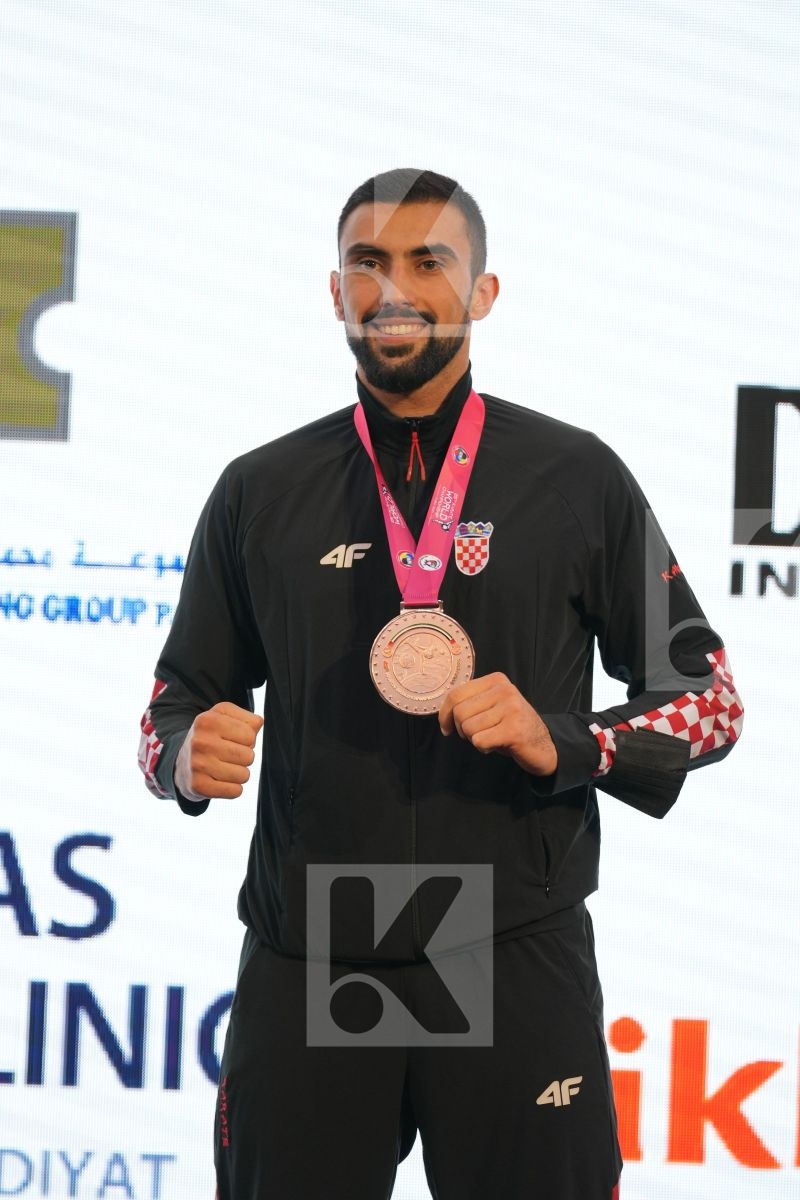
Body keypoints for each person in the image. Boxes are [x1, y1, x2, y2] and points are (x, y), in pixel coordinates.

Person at [138, 168, 743, 1200]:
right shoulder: (257, 489)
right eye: (366, 262)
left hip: (505, 939)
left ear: (484, 291)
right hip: (314, 943)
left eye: (428, 261)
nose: (393, 288)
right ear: (334, 292)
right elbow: (167, 713)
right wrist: (186, 759)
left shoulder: (574, 475)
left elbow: (710, 699)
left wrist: (572, 739)